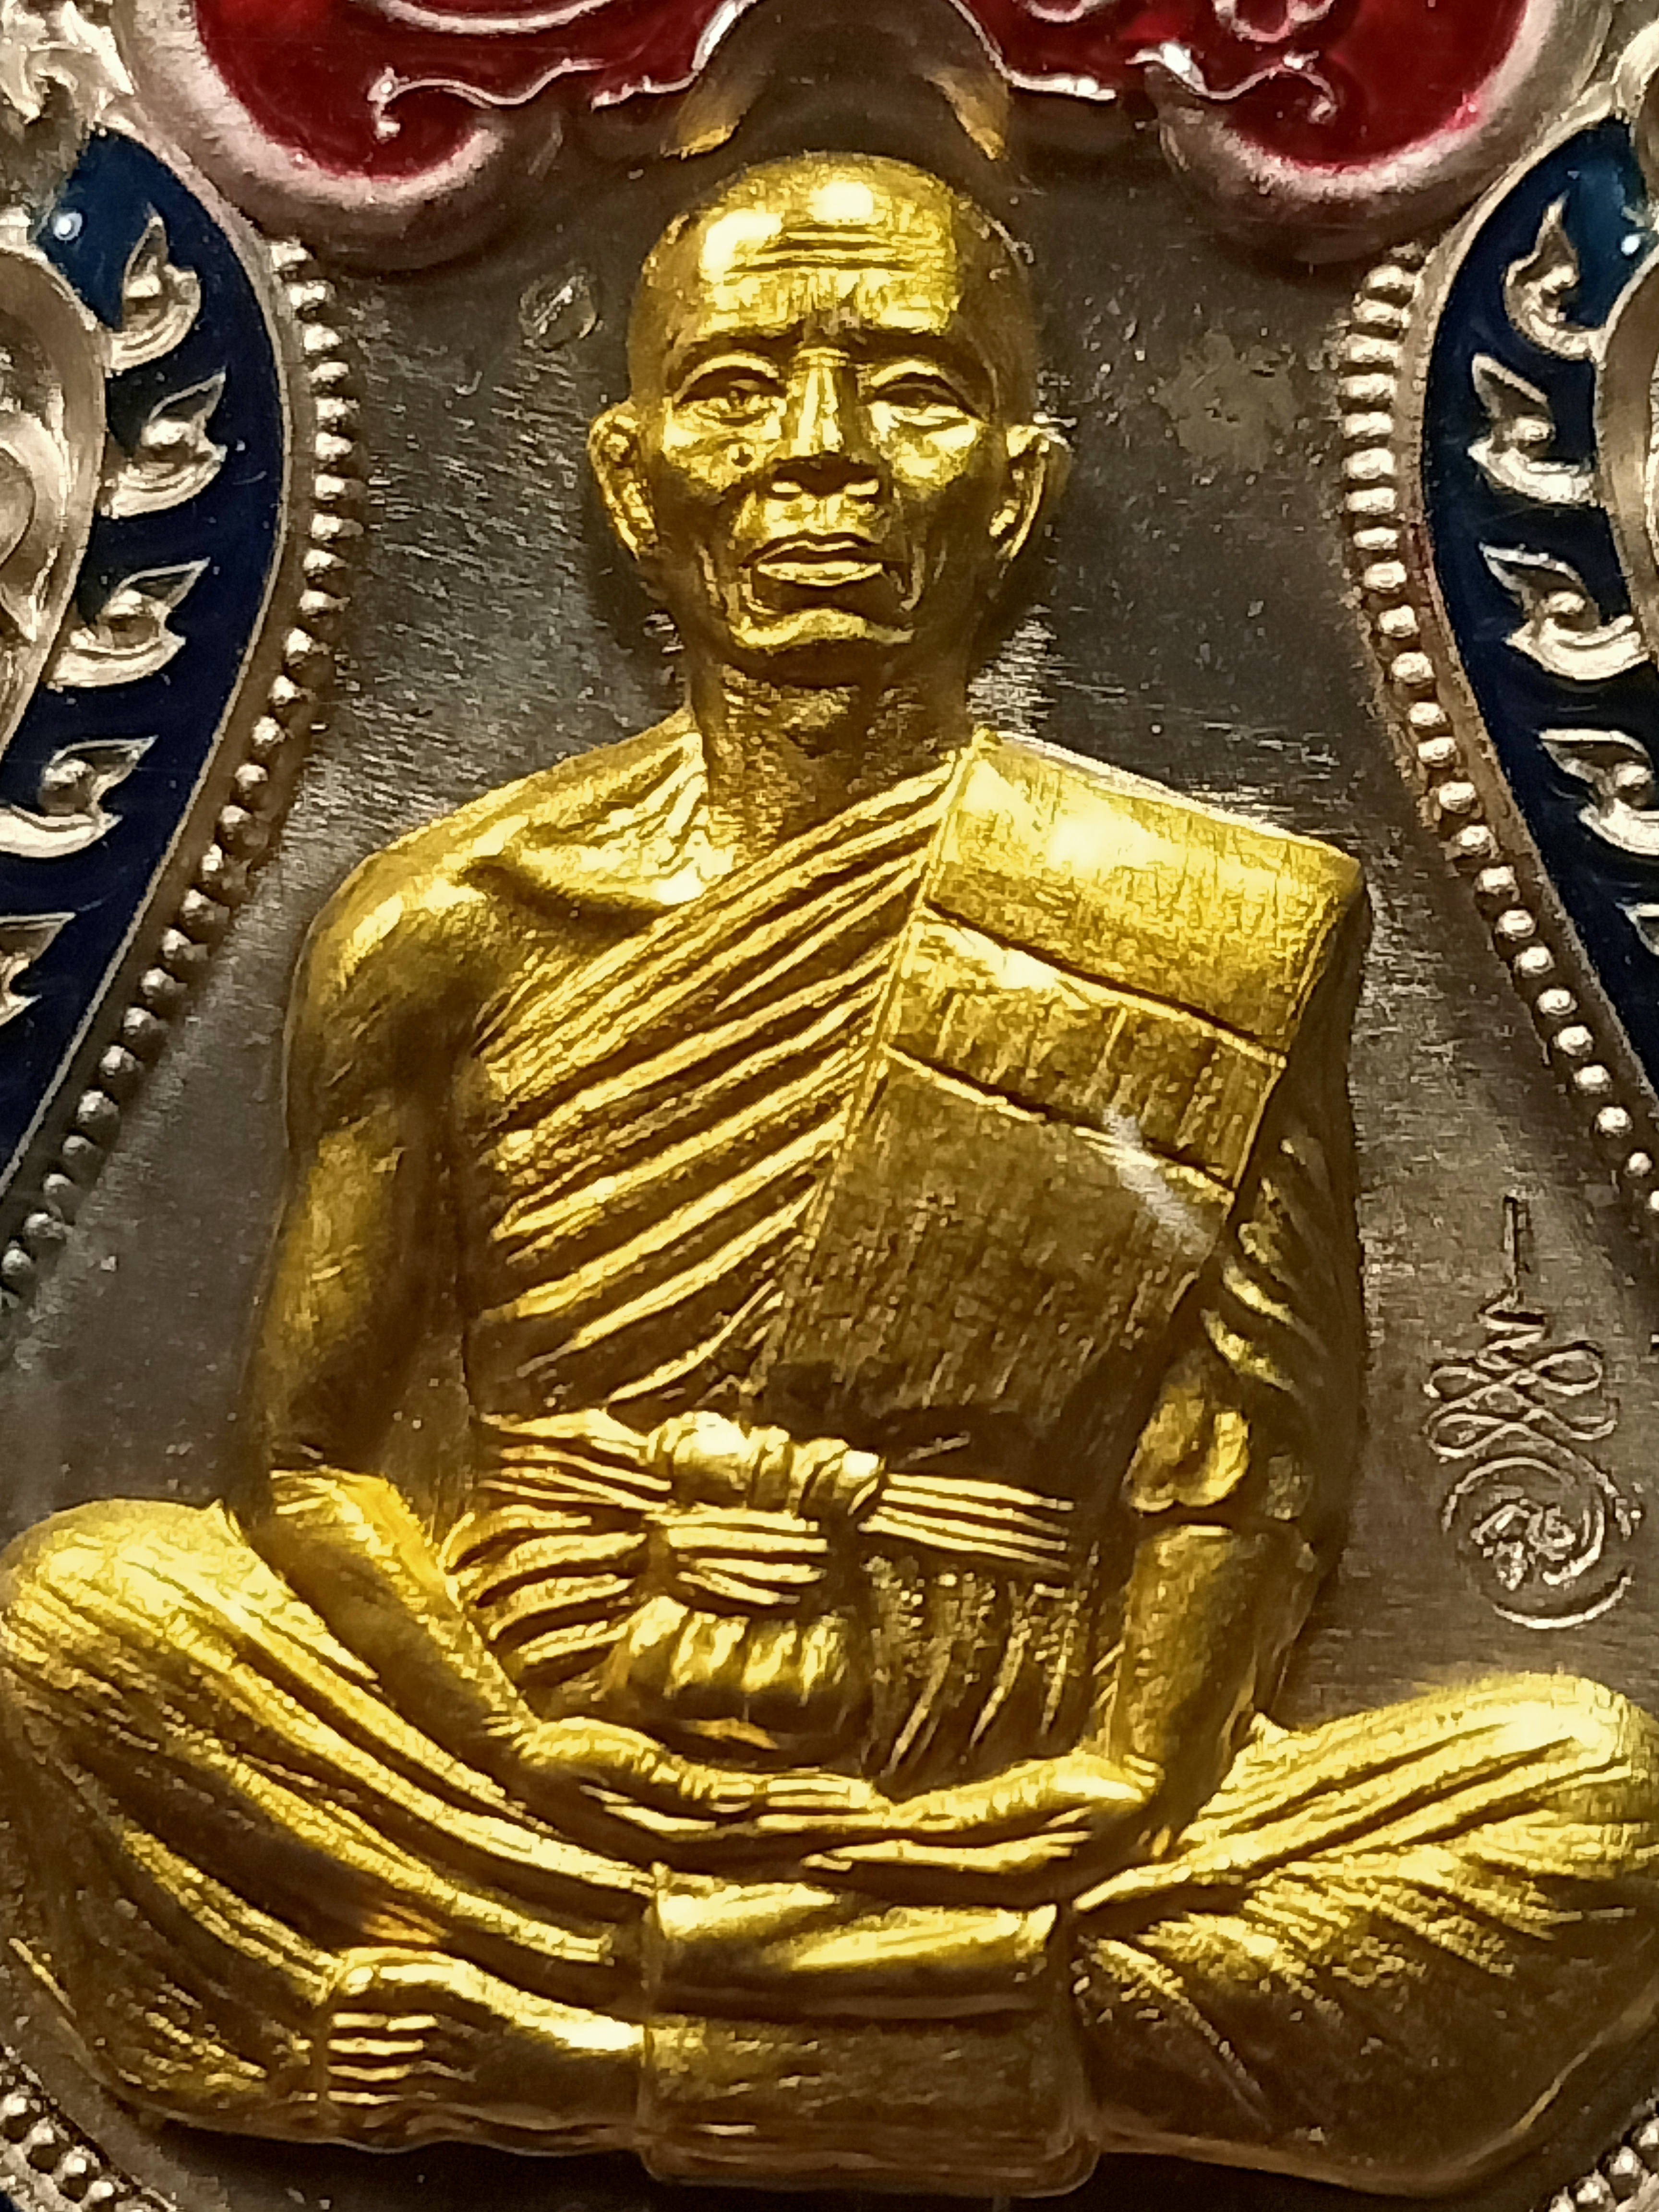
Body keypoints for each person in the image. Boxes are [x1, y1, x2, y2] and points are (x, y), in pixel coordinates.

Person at [3, 151, 1658, 2200]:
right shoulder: (448, 923)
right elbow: (317, 1460)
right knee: (79, 1626)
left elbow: (1246, 1448)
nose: (821, 455)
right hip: (535, 1769)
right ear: (632, 487)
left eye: (914, 388)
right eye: (735, 389)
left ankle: (589, 2060)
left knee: (1590, 1807)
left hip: (1008, 1794)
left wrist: (1130, 1776)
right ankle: (938, 2042)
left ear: (1019, 492)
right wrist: (524, 1747)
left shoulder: (1209, 916)